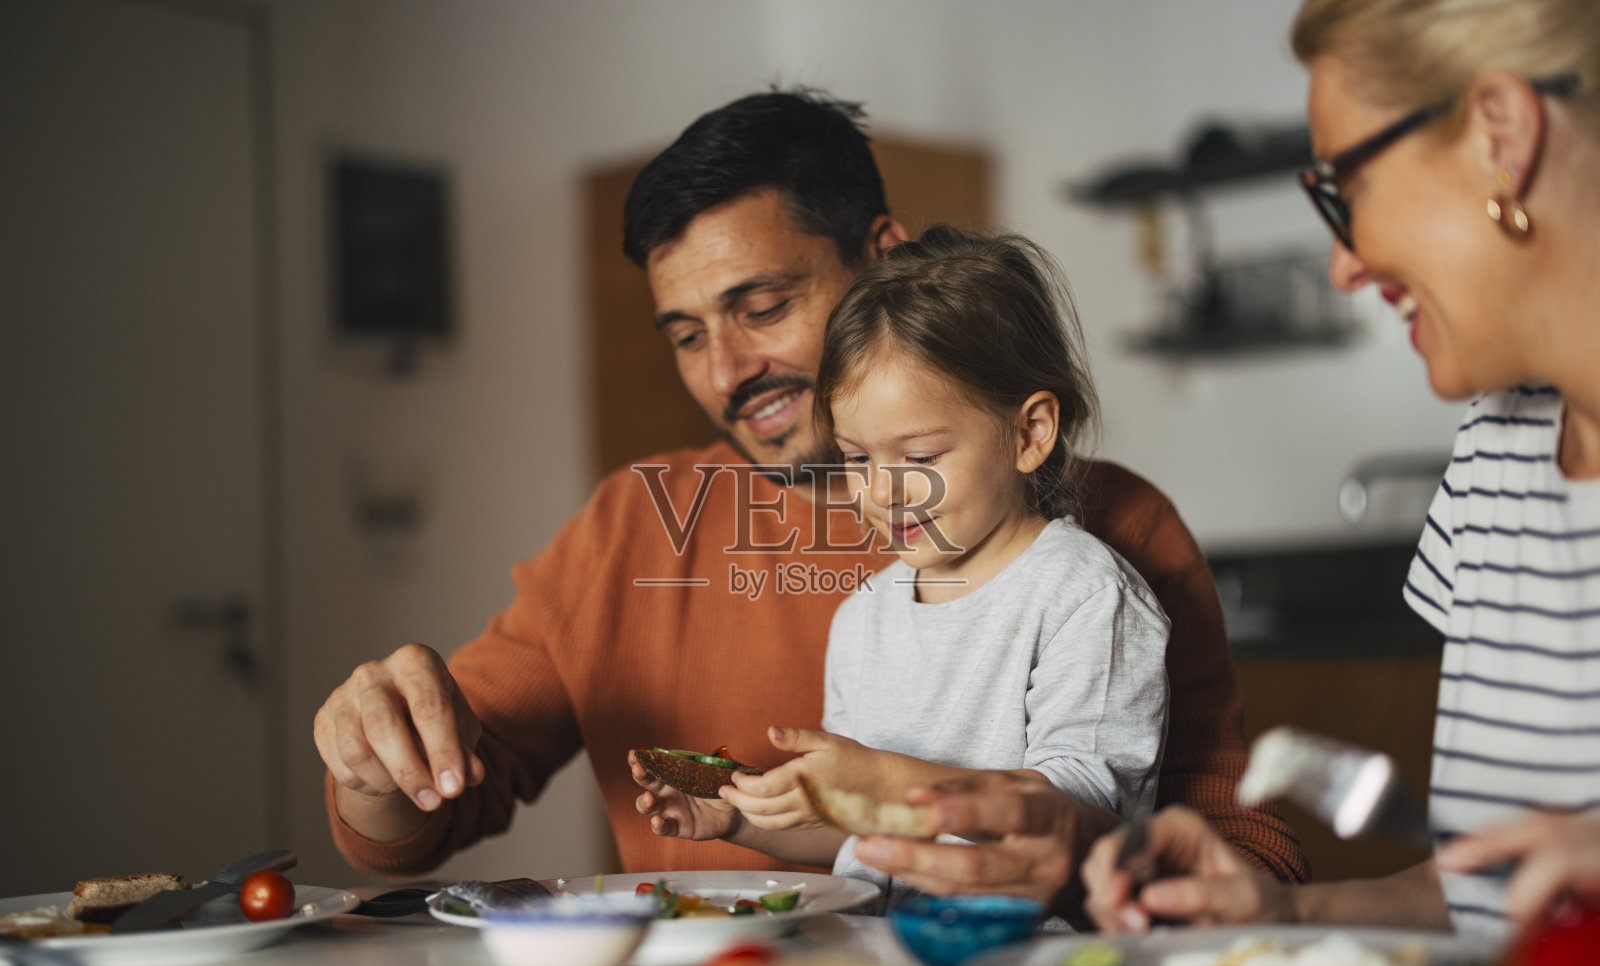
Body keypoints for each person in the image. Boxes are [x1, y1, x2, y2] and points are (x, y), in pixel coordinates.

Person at [312, 89, 1306, 892]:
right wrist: (377, 751)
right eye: (688, 335)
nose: (727, 372)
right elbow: (422, 816)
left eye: (762, 306)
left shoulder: (1111, 532)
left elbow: (1239, 851)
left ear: (883, 257)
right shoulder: (631, 530)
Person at [1076, 0, 1600, 942]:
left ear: (1503, 135)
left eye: (1346, 188)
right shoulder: (1499, 448)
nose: (1344, 265)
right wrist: (1287, 911)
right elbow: (1495, 892)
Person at [628, 226, 1170, 896]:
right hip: (876, 944)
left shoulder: (1085, 595)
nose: (882, 491)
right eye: (858, 458)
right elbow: (855, 832)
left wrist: (885, 778)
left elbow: (1082, 812)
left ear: (1029, 432)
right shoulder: (864, 614)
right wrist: (740, 817)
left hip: (1029, 947)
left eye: (919, 456)